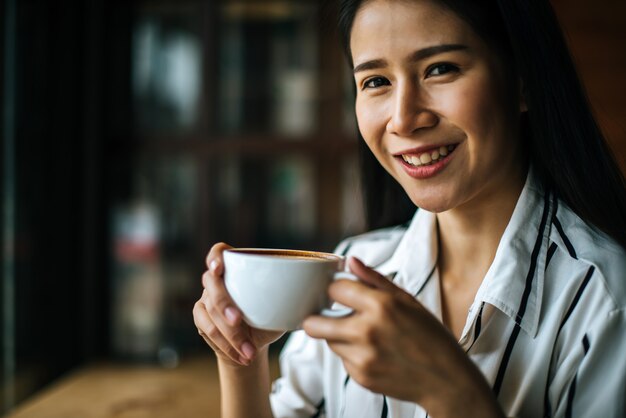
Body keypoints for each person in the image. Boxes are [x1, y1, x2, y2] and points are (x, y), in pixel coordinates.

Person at [193, 0, 626, 416]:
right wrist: (241, 357)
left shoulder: (606, 298)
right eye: (376, 81)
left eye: (440, 69)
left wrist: (451, 392)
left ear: (522, 81)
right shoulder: (350, 270)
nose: (403, 119)